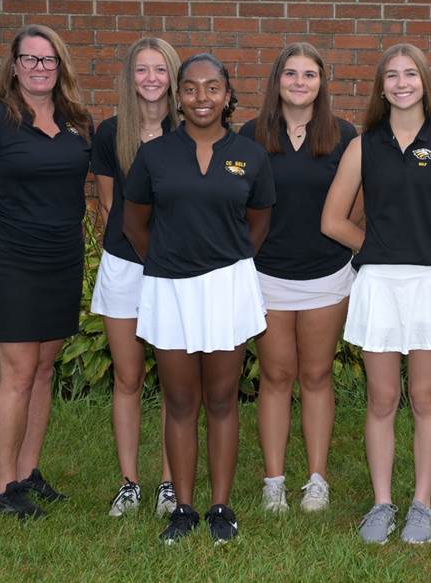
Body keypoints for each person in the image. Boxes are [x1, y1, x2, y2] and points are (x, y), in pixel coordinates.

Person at [321, 43, 431, 545]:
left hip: (428, 286)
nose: (401, 83)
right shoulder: (363, 145)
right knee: (381, 397)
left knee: (422, 397)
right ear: (381, 87)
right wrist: (376, 248)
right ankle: (381, 503)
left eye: (410, 74)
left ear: (425, 83)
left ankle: (421, 504)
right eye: (392, 75)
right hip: (377, 283)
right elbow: (332, 221)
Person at [123, 53, 275, 545]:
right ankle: (183, 508)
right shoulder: (155, 155)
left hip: (228, 288)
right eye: (190, 89)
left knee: (222, 399)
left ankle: (220, 508)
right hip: (169, 288)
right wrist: (173, 263)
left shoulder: (250, 154)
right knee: (181, 400)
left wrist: (224, 263)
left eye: (212, 88)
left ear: (228, 96)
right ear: (178, 97)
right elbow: (134, 224)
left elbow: (259, 222)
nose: (201, 98)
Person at [0, 24, 91, 520]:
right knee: (19, 370)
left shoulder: (76, 120)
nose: (39, 68)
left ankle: (28, 474)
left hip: (60, 258)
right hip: (6, 259)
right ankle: (3, 487)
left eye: (48, 60)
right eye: (29, 60)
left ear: (60, 67)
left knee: (44, 369)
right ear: (13, 66)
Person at [240, 42, 358, 514]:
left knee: (315, 374)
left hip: (325, 273)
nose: (300, 82)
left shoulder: (344, 134)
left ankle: (316, 479)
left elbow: (358, 203)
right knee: (275, 375)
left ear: (322, 82)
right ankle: (274, 480)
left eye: (310, 75)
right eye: (291, 74)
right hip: (266, 273)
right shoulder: (250, 134)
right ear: (277, 81)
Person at [91, 37, 180, 519]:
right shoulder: (110, 133)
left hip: (175, 268)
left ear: (172, 75)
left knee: (174, 381)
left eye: (160, 70)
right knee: (128, 377)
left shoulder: (189, 131)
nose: (151, 78)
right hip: (124, 265)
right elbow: (109, 203)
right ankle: (129, 482)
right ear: (130, 76)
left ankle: (170, 482)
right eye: (142, 70)